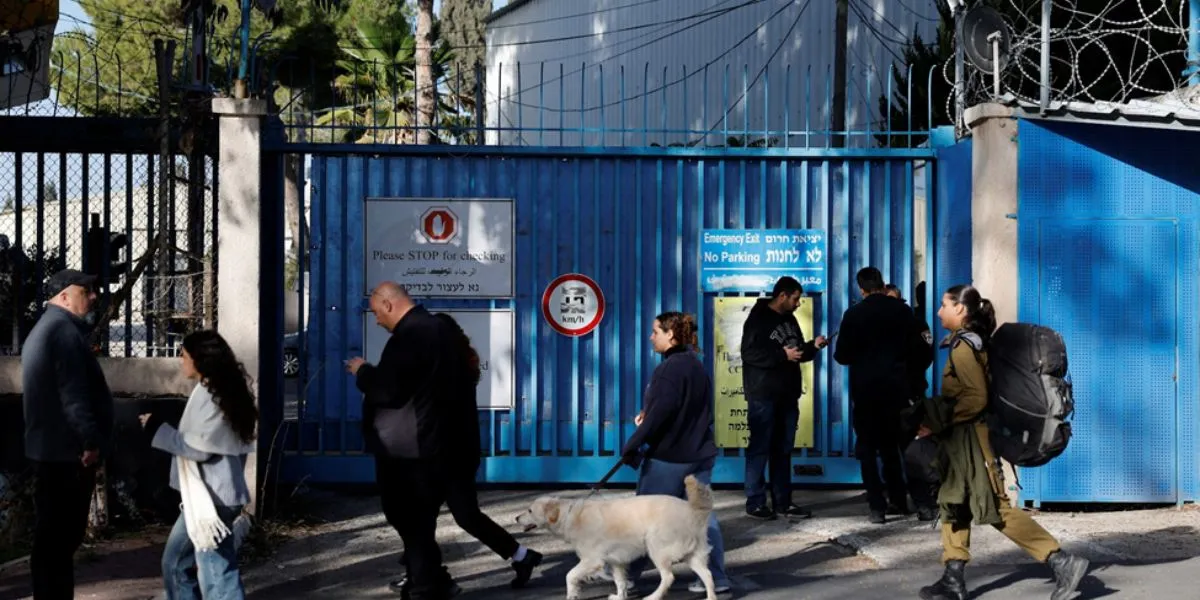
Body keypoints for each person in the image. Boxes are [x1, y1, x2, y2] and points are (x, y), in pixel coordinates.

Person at [346, 283, 539, 599]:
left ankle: (427, 584)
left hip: (421, 450)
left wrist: (363, 371)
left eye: (377, 312)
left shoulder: (410, 337)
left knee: (413, 519)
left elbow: (389, 391)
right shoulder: (445, 337)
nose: (377, 320)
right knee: (440, 517)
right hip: (454, 446)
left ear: (388, 304)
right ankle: (437, 576)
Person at [916, 284, 1088, 600]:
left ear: (960, 309)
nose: (939, 312)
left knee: (996, 508)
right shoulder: (967, 343)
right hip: (960, 441)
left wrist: (938, 422)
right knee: (954, 501)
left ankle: (1060, 560)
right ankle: (953, 576)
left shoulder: (964, 348)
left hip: (972, 440)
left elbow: (976, 397)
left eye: (944, 305)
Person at [620, 311, 732, 596]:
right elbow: (680, 408)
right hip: (699, 454)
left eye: (655, 332)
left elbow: (662, 413)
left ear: (670, 334)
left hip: (668, 458)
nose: (651, 337)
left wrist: (632, 444)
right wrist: (650, 413)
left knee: (644, 517)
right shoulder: (695, 366)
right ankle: (716, 578)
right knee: (702, 517)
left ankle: (627, 578)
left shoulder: (668, 370)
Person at [140, 331, 255, 599]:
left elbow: (199, 448)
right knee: (195, 564)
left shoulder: (212, 395)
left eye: (184, 356)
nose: (181, 361)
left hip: (212, 499)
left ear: (200, 359)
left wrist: (156, 428)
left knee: (202, 568)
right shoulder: (219, 390)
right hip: (215, 495)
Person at [22, 268, 113, 599]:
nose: (93, 296)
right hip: (65, 455)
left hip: (52, 451)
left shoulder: (51, 329)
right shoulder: (62, 333)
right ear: (63, 296)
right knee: (59, 542)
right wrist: (89, 441)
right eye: (85, 291)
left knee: (52, 542)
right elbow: (73, 396)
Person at [834, 267, 932, 524]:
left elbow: (842, 355)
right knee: (906, 448)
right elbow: (920, 351)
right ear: (882, 284)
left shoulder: (854, 315)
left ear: (861, 289)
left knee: (869, 450)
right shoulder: (902, 312)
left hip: (867, 394)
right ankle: (921, 504)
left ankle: (877, 507)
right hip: (899, 392)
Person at [740, 276, 827, 520]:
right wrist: (781, 355)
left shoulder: (789, 319)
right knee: (759, 448)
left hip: (787, 395)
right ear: (782, 296)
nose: (798, 304)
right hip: (763, 395)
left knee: (783, 449)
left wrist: (813, 346)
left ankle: (783, 502)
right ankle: (755, 502)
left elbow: (795, 352)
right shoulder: (758, 318)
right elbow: (748, 353)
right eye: (795, 299)